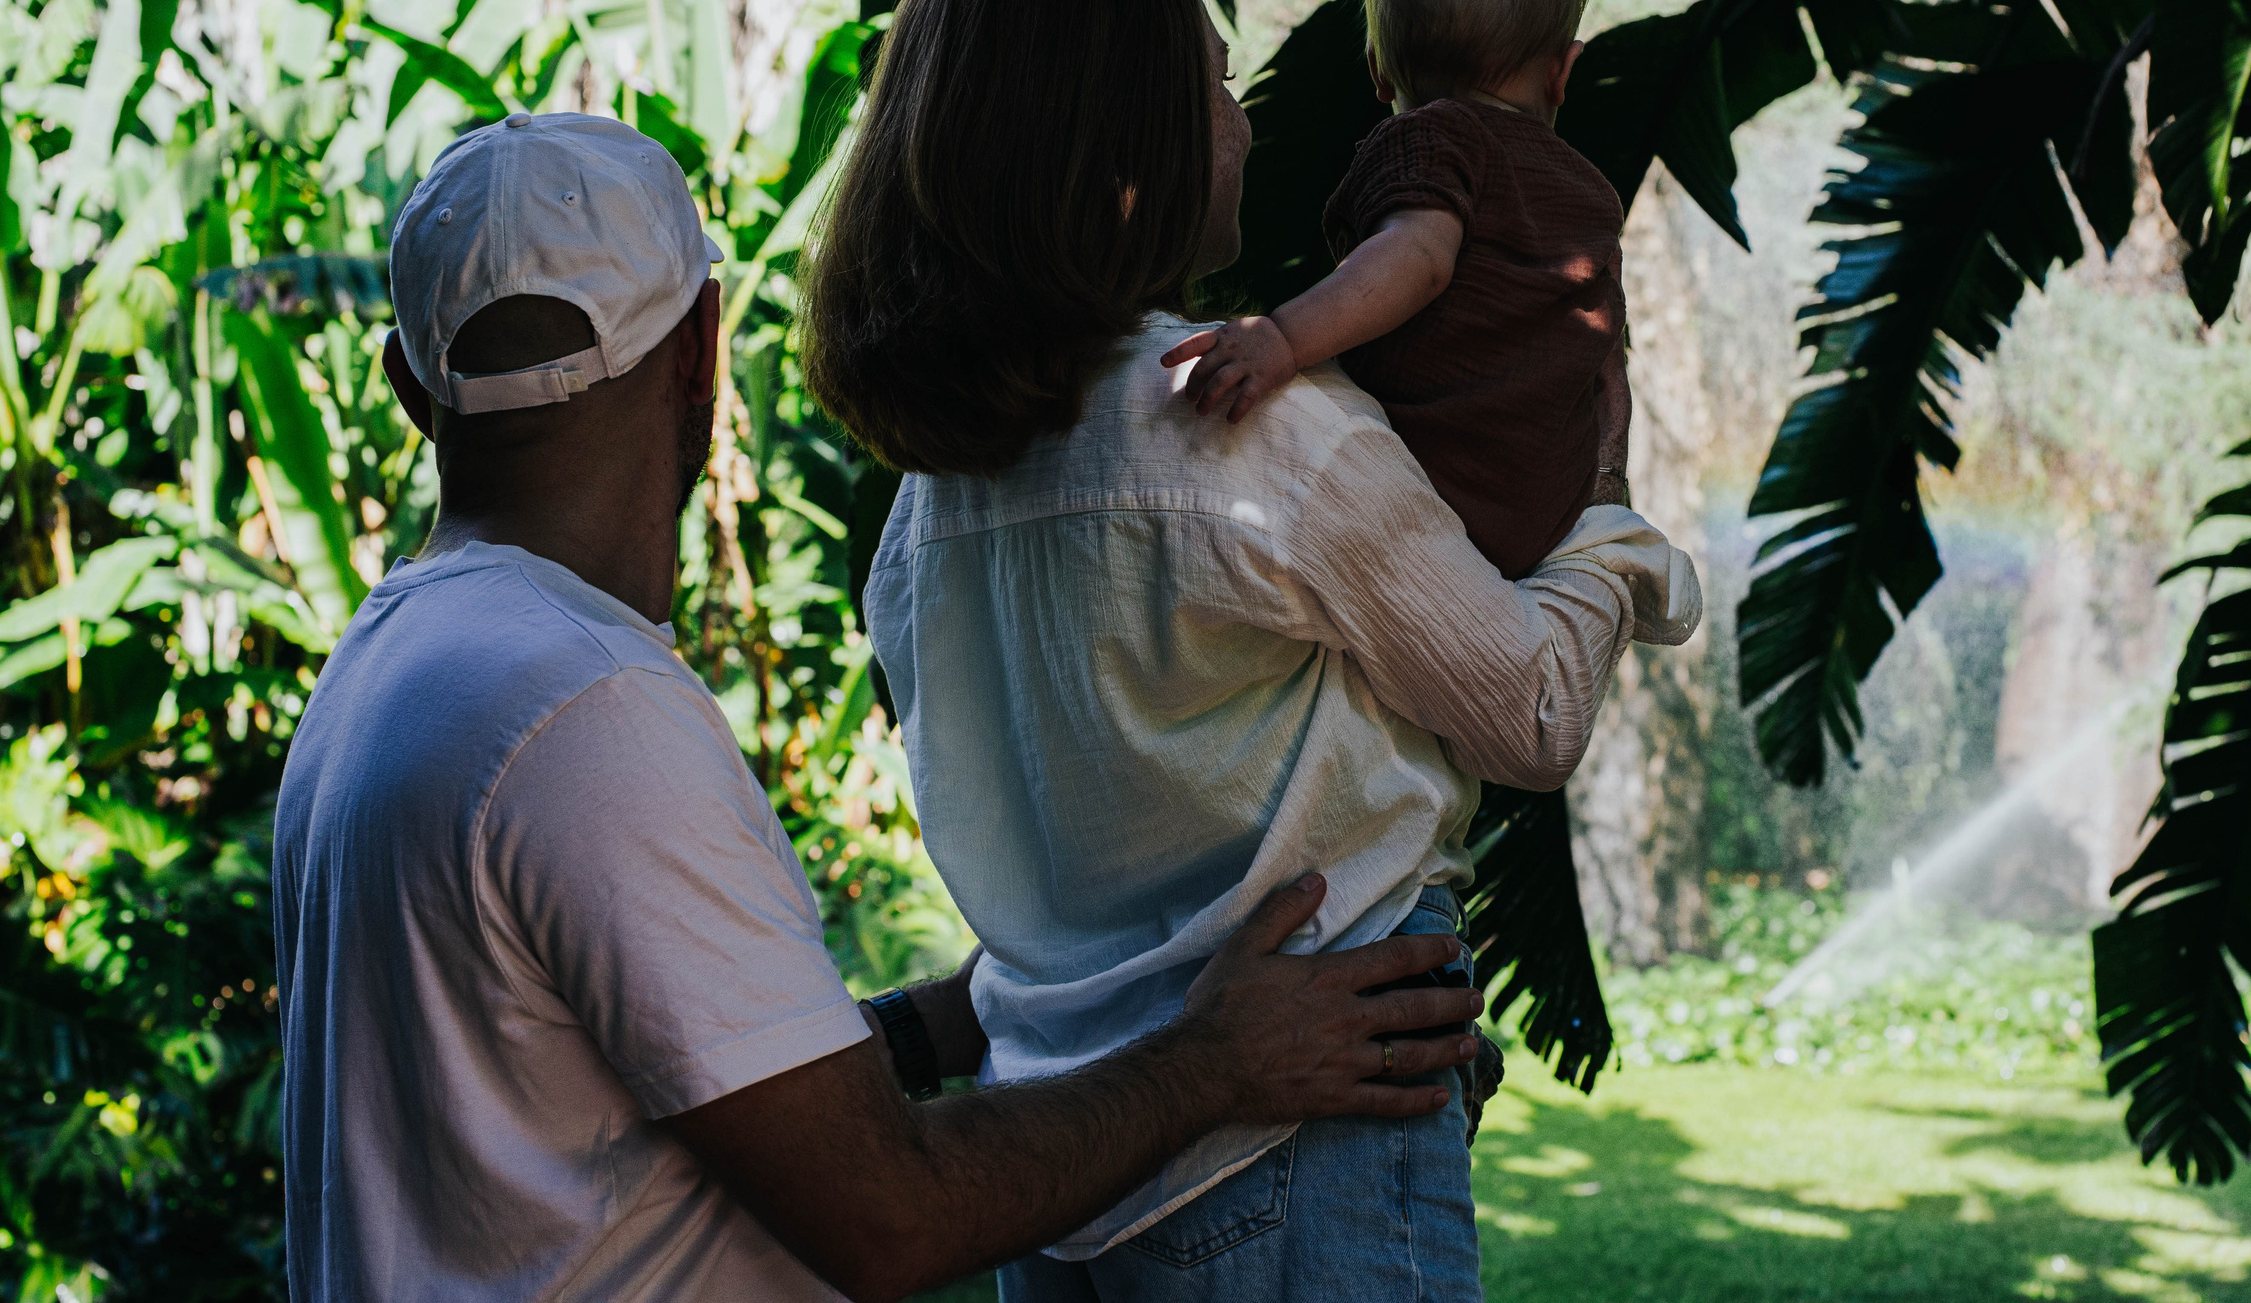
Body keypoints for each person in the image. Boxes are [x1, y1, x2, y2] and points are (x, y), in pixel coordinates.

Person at [270, 111, 1488, 1303]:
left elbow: (697, 1087)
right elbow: (889, 1213)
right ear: (702, 343)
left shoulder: (393, 666)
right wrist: (1213, 1062)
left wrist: (1006, 1000)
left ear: (408, 387)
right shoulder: (585, 707)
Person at [800, 0, 1701, 1302]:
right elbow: (1531, 713)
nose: (1246, 124)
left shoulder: (936, 500)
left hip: (1061, 1179)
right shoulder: (1266, 436)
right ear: (1119, 176)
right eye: (1216, 92)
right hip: (1291, 1150)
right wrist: (1600, 502)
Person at [1168, 0, 1632, 573]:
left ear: (1380, 71)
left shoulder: (1432, 138)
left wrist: (1284, 337)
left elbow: (1419, 255)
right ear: (1563, 72)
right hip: (1551, 514)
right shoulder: (1592, 194)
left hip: (1436, 489)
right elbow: (1604, 354)